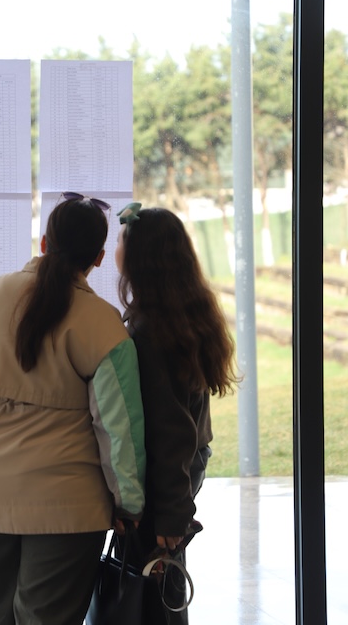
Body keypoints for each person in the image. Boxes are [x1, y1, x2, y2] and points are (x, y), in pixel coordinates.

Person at [0, 195, 146, 625]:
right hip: (66, 506)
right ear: (98, 258)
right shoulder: (104, 324)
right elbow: (118, 427)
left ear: (45, 243)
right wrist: (129, 503)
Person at [114, 202, 238, 622]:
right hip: (186, 465)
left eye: (122, 241)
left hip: (169, 475)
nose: (115, 250)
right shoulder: (179, 314)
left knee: (156, 586)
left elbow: (170, 432)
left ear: (140, 257)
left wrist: (171, 514)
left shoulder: (151, 331)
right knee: (161, 583)